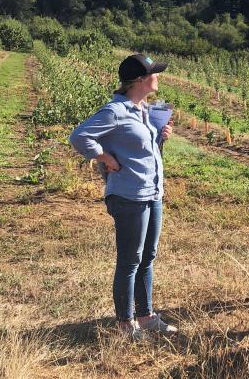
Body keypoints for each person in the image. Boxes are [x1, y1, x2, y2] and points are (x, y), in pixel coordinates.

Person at [70, 54, 177, 340]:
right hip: (129, 194)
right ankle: (126, 325)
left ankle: (146, 315)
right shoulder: (116, 110)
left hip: (152, 192)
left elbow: (139, 145)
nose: (158, 76)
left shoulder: (142, 109)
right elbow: (79, 136)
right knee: (130, 260)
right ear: (140, 80)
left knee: (147, 257)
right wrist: (104, 157)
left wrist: (160, 137)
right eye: (154, 72)